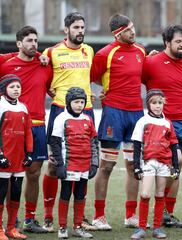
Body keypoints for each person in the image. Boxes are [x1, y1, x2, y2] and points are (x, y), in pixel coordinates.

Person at [90, 13, 146, 230]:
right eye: (129, 30)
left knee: (134, 166)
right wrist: (104, 89)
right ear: (118, 33)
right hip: (113, 113)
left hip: (136, 116)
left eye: (133, 27)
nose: (133, 32)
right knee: (107, 166)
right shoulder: (106, 53)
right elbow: (92, 76)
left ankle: (131, 215)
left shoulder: (141, 51)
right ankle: (98, 216)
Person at [42, 12, 95, 232]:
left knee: (84, 163)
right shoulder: (51, 52)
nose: (80, 31)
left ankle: (79, 219)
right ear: (66, 30)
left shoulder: (89, 50)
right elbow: (43, 80)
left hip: (87, 111)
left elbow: (99, 74)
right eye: (76, 28)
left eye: (82, 27)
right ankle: (47, 216)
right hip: (59, 110)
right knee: (55, 164)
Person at [142, 24, 182, 228]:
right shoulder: (151, 62)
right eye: (178, 42)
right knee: (164, 166)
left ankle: (167, 212)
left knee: (177, 167)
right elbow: (134, 80)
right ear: (167, 42)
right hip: (160, 122)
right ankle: (156, 209)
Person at [0, 26, 52, 234]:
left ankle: (29, 218)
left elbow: (51, 86)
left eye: (36, 41)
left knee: (33, 173)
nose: (34, 44)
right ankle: (10, 221)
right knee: (7, 175)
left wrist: (41, 56)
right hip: (12, 128)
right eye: (29, 41)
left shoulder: (45, 65)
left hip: (38, 125)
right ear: (19, 43)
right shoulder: (6, 64)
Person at [130, 89, 180, 240]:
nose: (157, 106)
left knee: (159, 194)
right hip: (149, 162)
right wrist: (136, 166)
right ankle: (141, 228)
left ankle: (157, 228)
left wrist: (175, 166)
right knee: (145, 194)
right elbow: (137, 144)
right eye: (154, 103)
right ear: (149, 104)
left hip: (164, 164)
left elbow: (173, 145)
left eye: (160, 103)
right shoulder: (143, 121)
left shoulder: (167, 123)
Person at [50, 87, 98, 239]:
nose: (79, 105)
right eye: (76, 102)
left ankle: (78, 226)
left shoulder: (87, 119)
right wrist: (59, 165)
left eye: (82, 102)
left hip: (84, 165)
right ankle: (62, 227)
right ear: (69, 102)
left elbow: (93, 142)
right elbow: (55, 142)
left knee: (80, 195)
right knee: (65, 194)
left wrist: (94, 164)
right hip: (68, 165)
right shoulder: (61, 118)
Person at [0, 74, 33, 240]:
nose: (16, 90)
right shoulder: (0, 105)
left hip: (19, 159)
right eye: (12, 87)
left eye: (18, 87)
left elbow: (28, 131)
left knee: (16, 192)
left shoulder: (24, 107)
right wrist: (0, 155)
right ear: (4, 89)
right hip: (4, 159)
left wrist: (29, 154)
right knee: (1, 191)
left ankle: (11, 228)